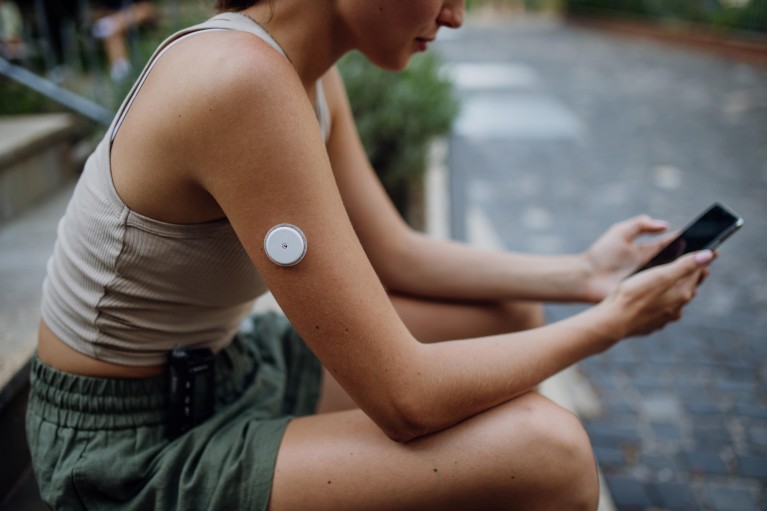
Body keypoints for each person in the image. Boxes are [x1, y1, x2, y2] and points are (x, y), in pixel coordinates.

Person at [26, 1, 715, 510]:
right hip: (128, 448)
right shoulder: (237, 79)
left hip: (226, 372)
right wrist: (609, 324)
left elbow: (394, 253)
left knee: (504, 313)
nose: (455, 16)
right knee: (548, 449)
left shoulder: (300, 71)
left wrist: (584, 276)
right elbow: (404, 398)